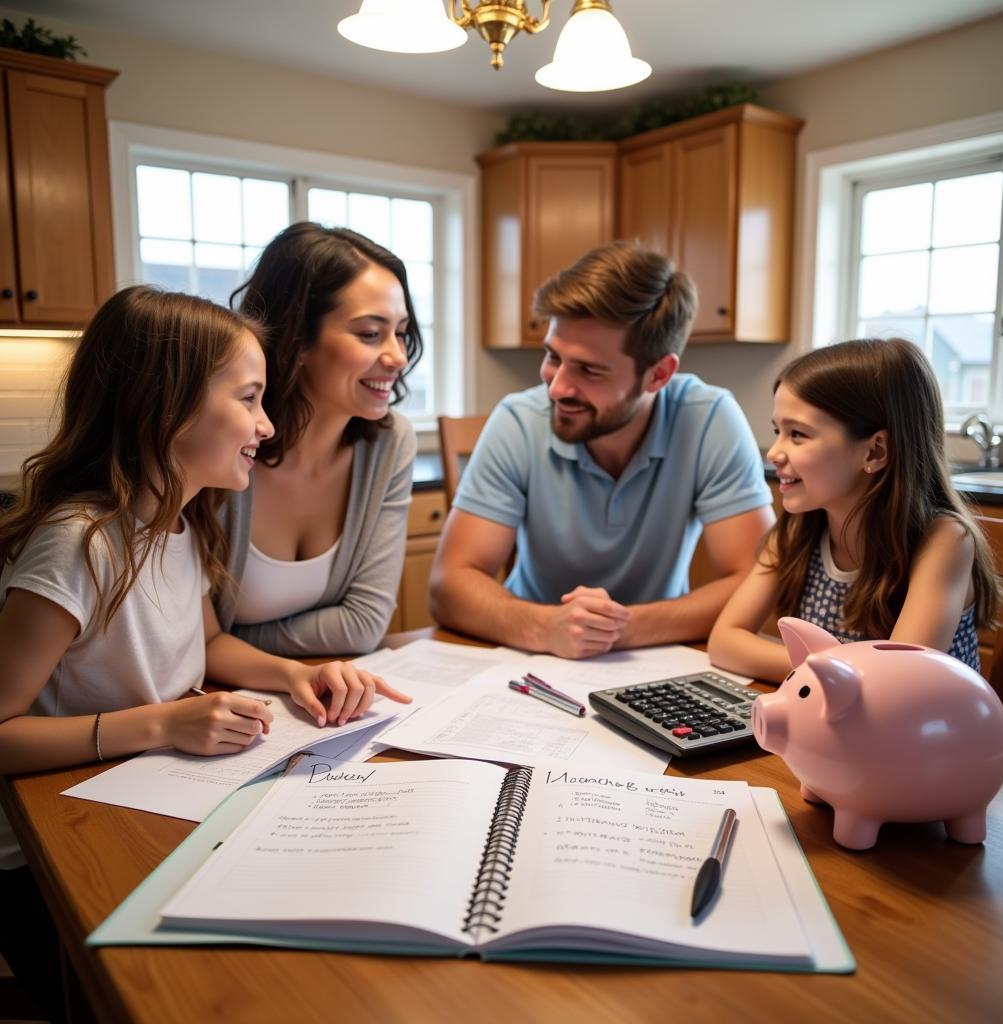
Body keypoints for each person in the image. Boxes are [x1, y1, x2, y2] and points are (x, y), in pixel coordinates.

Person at [0, 286, 409, 1019]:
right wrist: (161, 725)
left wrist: (297, 674)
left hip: (131, 799)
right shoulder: (78, 545)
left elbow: (211, 643)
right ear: (168, 406)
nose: (268, 423)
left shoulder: (181, 526)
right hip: (36, 857)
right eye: (250, 399)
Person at [430, 240, 775, 659]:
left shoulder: (709, 419)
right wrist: (547, 628)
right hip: (528, 654)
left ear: (658, 375)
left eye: (589, 370)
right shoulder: (518, 420)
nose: (556, 387)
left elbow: (757, 580)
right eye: (553, 357)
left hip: (656, 655)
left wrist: (615, 629)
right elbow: (449, 585)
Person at [708, 338, 1002, 683]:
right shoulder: (796, 530)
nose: (774, 452)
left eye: (798, 434)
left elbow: (894, 680)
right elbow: (725, 642)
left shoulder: (944, 542)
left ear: (875, 452)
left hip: (931, 734)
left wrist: (814, 666)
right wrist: (835, 668)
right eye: (778, 431)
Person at [216, 222, 422, 656]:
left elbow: (364, 625)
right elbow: (185, 636)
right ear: (297, 340)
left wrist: (227, 642)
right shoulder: (222, 445)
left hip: (330, 691)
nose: (398, 356)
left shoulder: (389, 443)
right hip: (218, 702)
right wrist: (212, 644)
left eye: (400, 332)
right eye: (370, 333)